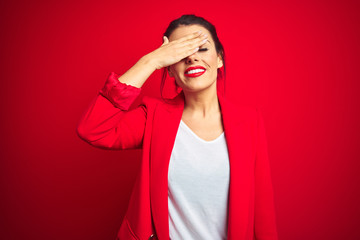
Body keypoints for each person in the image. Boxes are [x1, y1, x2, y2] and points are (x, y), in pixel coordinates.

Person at [77, 14, 278, 240]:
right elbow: (93, 129)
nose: (192, 58)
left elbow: (262, 210)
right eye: (180, 53)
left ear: (220, 58)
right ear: (169, 68)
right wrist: (149, 61)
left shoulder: (249, 121)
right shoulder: (152, 117)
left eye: (202, 49)